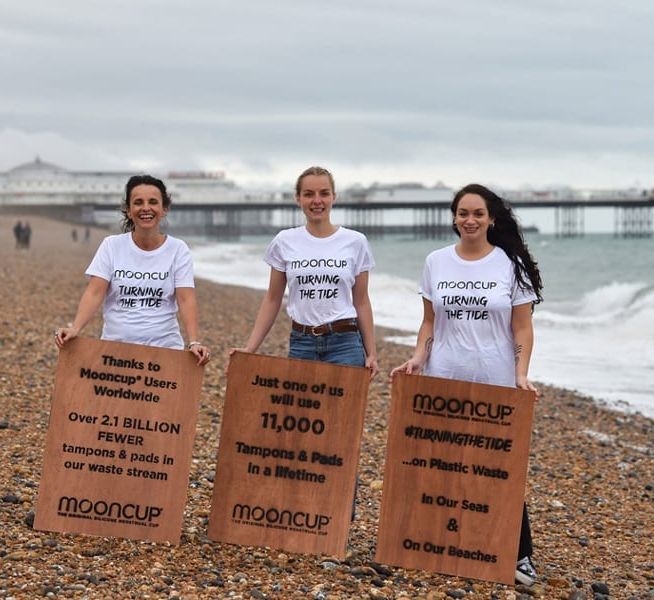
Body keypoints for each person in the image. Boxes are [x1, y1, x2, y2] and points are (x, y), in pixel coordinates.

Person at [390, 183, 543, 586]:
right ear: (454, 218)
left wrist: (521, 374)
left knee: (500, 466)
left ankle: (519, 554)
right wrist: (418, 358)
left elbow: (522, 327)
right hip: (445, 375)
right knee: (441, 460)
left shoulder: (510, 265)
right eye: (463, 213)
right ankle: (441, 543)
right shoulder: (436, 262)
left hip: (494, 378)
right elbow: (429, 321)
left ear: (492, 218)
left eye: (478, 213)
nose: (470, 220)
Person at [231, 166, 378, 378]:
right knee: (302, 411)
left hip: (345, 343)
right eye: (309, 194)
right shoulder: (284, 241)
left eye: (324, 193)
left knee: (343, 411)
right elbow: (272, 299)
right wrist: (250, 349)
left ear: (333, 197)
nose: (317, 200)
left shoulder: (355, 242)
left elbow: (362, 301)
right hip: (302, 342)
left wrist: (371, 352)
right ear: (298, 199)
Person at [54, 174, 210, 366]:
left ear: (164, 209)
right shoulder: (111, 246)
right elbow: (94, 292)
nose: (146, 208)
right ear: (128, 210)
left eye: (153, 202)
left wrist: (194, 341)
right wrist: (75, 328)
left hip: (165, 351)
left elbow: (186, 299)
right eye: (138, 202)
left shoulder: (178, 249)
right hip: (116, 351)